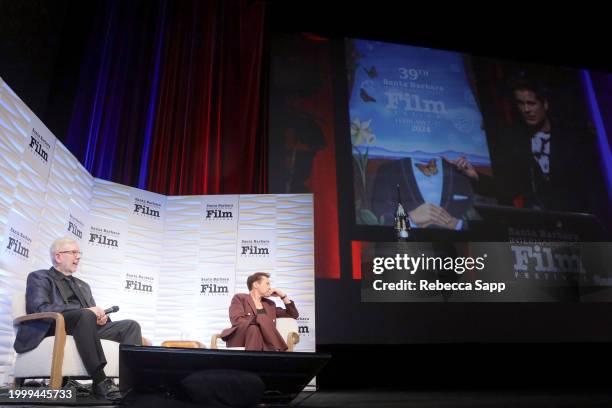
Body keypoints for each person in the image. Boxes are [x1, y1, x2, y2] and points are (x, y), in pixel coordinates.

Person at [13, 237, 142, 400]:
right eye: (73, 252)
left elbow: (91, 314)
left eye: (79, 253)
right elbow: (39, 309)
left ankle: (131, 385)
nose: (78, 257)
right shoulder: (39, 277)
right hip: (52, 327)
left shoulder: (83, 285)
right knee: (86, 314)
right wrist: (85, 311)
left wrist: (101, 318)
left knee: (130, 326)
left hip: (85, 327)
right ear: (58, 256)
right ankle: (100, 381)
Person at [450, 76, 591, 211]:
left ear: (545, 104)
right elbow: (508, 188)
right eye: (521, 103)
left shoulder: (570, 139)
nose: (526, 110)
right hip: (536, 224)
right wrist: (476, 175)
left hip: (573, 220)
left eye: (531, 103)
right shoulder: (514, 141)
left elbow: (586, 186)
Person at [371, 156, 475, 229]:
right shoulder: (388, 170)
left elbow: (482, 220)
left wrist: (455, 224)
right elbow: (378, 220)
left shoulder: (463, 170)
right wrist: (409, 219)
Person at [220, 272, 298, 351]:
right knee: (258, 322)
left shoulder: (269, 304)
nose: (270, 288)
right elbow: (237, 320)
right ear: (256, 285)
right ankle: (279, 347)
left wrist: (283, 296)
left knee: (255, 329)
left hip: (262, 340)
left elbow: (293, 314)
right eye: (267, 284)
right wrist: (257, 320)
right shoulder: (240, 298)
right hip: (241, 337)